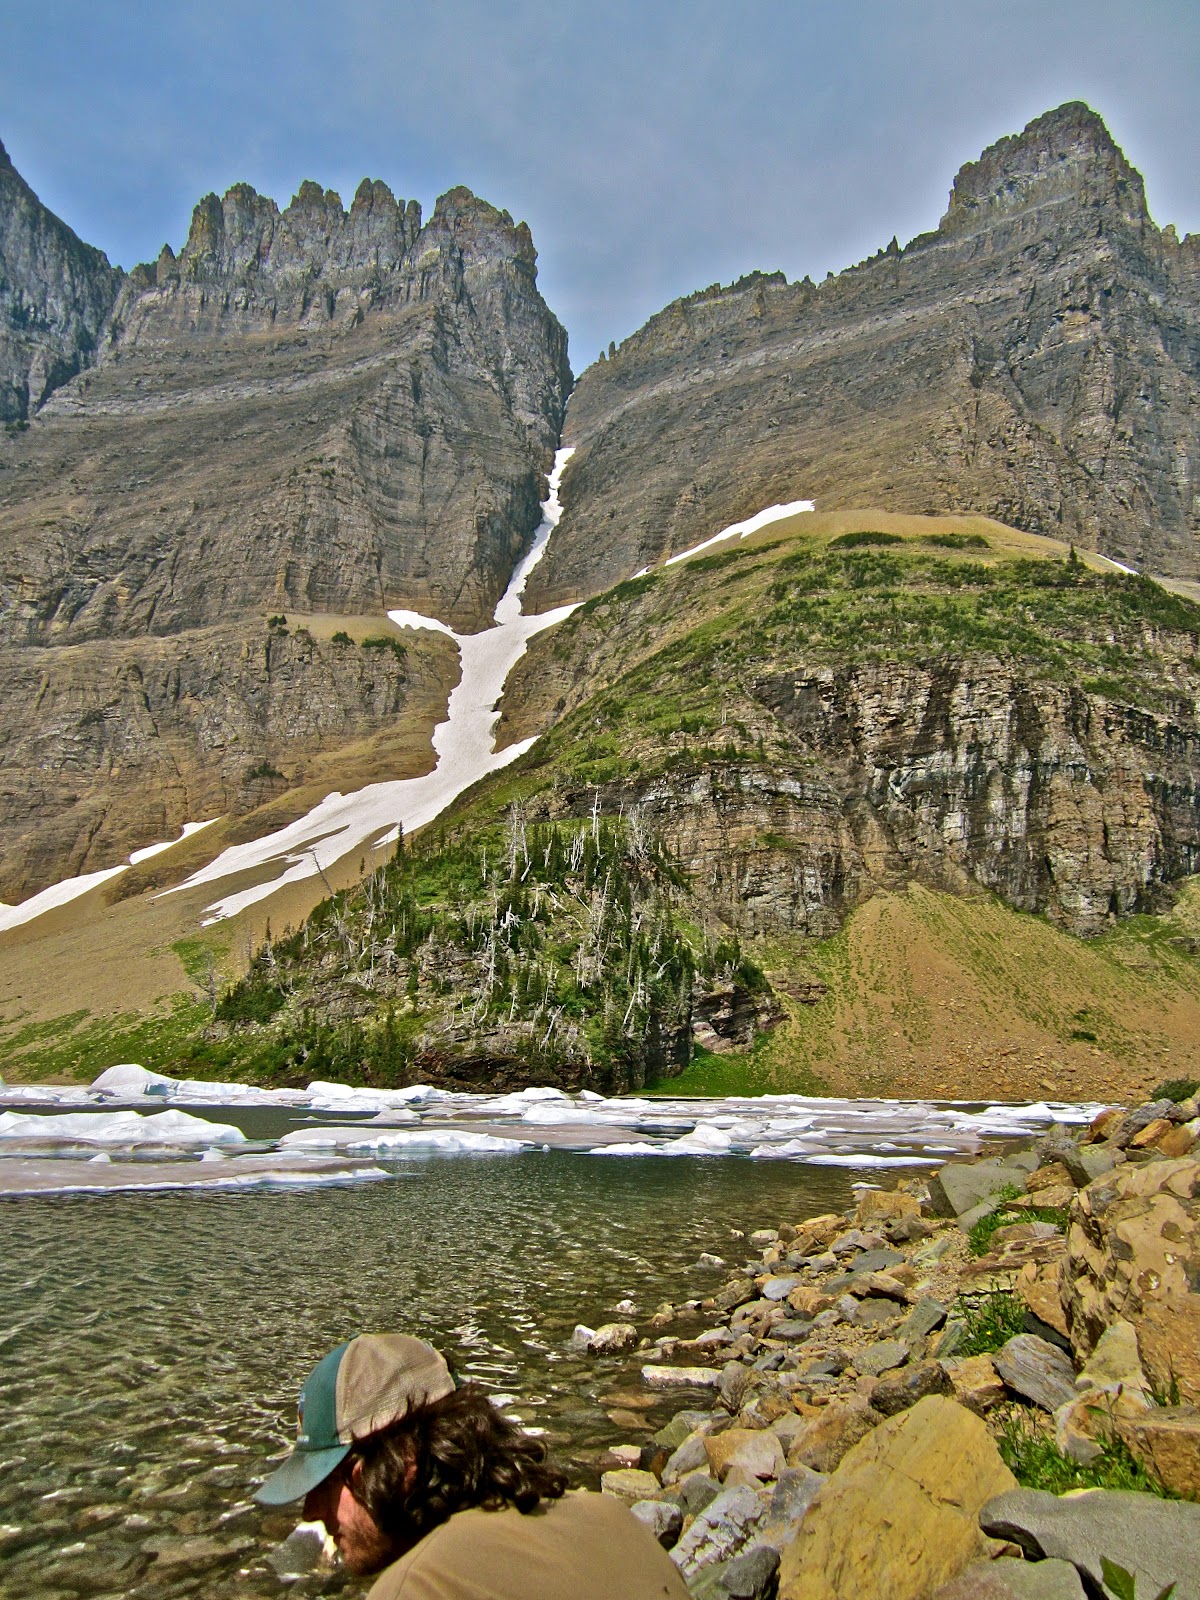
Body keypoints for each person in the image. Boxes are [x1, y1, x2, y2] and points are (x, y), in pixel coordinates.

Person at [254, 1331, 692, 1599]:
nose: (311, 1512)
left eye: (327, 1483)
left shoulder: (417, 1587)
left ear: (402, 1464)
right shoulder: (611, 1517)